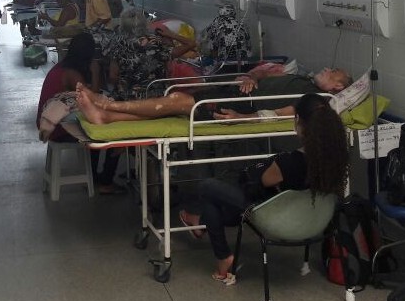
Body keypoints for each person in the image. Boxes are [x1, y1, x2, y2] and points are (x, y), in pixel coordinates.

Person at [178, 94, 349, 280]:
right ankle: (218, 253)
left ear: (298, 120)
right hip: (313, 222)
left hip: (275, 218)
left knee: (208, 187)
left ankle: (213, 241)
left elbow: (264, 181)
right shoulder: (337, 159)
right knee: (215, 206)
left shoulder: (289, 162)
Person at [74, 66, 351, 124]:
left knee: (177, 101)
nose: (327, 69)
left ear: (337, 88)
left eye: (333, 72)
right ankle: (106, 116)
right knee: (175, 105)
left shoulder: (317, 100)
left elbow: (281, 114)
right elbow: (262, 72)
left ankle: (109, 104)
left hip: (238, 107)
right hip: (236, 92)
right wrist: (251, 77)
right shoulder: (301, 77)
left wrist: (242, 118)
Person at [36, 33, 124, 195]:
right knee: (112, 133)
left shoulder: (62, 67)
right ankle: (106, 181)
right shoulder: (71, 73)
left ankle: (93, 176)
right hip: (59, 129)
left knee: (94, 125)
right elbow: (92, 98)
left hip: (49, 123)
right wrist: (95, 71)